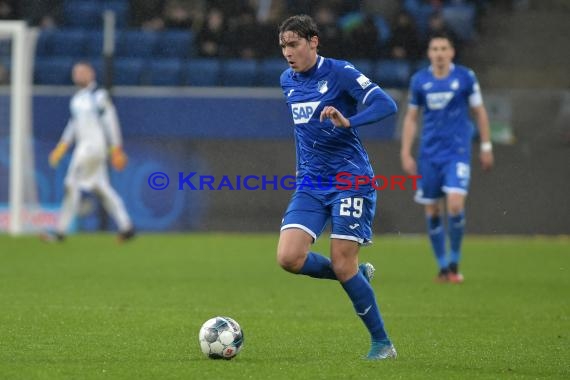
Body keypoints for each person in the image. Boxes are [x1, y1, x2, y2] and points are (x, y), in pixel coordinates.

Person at [277, 14, 398, 360]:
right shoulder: (287, 80)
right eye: (283, 45)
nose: (288, 52)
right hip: (311, 183)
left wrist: (350, 121)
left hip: (350, 179)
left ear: (313, 42)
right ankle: (356, 276)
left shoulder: (340, 72)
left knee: (341, 263)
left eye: (294, 44)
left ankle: (382, 344)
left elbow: (386, 104)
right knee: (288, 258)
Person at [400, 32, 494, 283]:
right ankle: (442, 267)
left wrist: (485, 145)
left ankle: (454, 260)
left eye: (444, 48)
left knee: (454, 204)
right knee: (432, 210)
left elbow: (479, 112)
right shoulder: (419, 81)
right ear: (429, 53)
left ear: (451, 52)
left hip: (457, 152)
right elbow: (411, 117)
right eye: (435, 49)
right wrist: (405, 151)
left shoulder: (465, 77)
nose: (439, 53)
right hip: (429, 154)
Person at [43, 62, 135, 242]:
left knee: (71, 183)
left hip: (92, 148)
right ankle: (127, 227)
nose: (78, 75)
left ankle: (60, 231)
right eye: (75, 72)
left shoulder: (99, 96)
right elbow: (73, 126)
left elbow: (111, 121)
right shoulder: (77, 99)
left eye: (82, 72)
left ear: (91, 74)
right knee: (102, 188)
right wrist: (61, 147)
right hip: (85, 148)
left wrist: (116, 148)